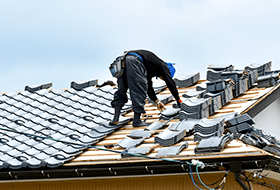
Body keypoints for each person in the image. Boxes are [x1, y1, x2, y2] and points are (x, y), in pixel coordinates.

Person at [110, 49, 182, 127]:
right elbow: (170, 83)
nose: (162, 79)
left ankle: (115, 118)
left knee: (121, 90)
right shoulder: (163, 65)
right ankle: (137, 120)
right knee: (139, 89)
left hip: (123, 61)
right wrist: (178, 100)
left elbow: (149, 86)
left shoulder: (150, 67)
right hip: (134, 61)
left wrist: (156, 101)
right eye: (163, 78)